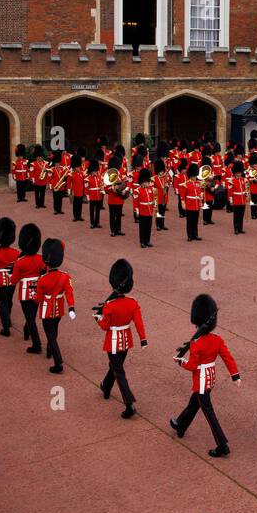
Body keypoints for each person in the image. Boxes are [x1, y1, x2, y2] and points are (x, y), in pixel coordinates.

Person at [170, 294, 240, 458]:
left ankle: (222, 445)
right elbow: (228, 358)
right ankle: (181, 424)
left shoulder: (197, 343)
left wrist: (180, 362)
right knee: (194, 403)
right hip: (210, 378)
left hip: (201, 380)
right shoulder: (217, 340)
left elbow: (193, 365)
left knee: (208, 412)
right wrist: (235, 376)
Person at [96, 259, 145, 418]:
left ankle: (129, 404)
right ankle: (106, 386)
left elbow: (105, 325)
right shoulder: (132, 303)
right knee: (115, 367)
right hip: (126, 341)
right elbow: (138, 322)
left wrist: (97, 317)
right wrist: (143, 339)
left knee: (119, 370)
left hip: (113, 341)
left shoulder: (110, 305)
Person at [35, 238, 75, 374]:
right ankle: (49, 351)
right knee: (54, 330)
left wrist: (34, 297)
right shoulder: (65, 276)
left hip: (47, 309)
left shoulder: (42, 279)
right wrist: (71, 308)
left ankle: (58, 362)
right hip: (59, 307)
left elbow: (38, 298)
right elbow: (69, 293)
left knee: (50, 335)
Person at [12, 223, 45, 354]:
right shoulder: (41, 259)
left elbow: (14, 280)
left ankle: (36, 345)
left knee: (30, 317)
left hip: (25, 292)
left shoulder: (20, 261)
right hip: (37, 289)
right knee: (31, 314)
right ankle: (26, 330)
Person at [0, 218, 20, 337]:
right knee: (9, 300)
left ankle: (6, 326)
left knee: (2, 303)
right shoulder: (16, 253)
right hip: (11, 279)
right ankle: (8, 319)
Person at [133, 167, 156, 248]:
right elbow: (135, 203)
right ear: (142, 182)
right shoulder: (137, 190)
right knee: (142, 228)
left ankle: (147, 241)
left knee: (148, 227)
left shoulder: (150, 189)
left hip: (149, 211)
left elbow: (153, 198)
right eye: (146, 182)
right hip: (142, 211)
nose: (147, 183)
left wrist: (154, 204)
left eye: (148, 182)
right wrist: (137, 211)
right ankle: (142, 242)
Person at [180, 162, 203, 241]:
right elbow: (182, 195)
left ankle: (195, 235)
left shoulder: (198, 183)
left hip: (196, 204)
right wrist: (183, 203)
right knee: (190, 221)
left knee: (195, 221)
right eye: (194, 176)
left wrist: (201, 198)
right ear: (191, 175)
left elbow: (199, 193)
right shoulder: (186, 184)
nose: (195, 177)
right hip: (190, 205)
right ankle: (189, 235)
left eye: (195, 176)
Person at [106, 158, 127, 237]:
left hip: (119, 198)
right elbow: (105, 188)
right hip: (112, 199)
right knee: (112, 215)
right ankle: (112, 230)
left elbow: (125, 183)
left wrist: (123, 189)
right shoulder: (108, 175)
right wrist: (112, 188)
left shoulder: (121, 174)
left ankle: (118, 229)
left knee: (118, 215)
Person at [227, 160, 249, 234]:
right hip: (236, 200)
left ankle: (240, 228)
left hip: (242, 199)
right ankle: (236, 229)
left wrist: (247, 195)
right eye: (238, 172)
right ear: (235, 172)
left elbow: (246, 189)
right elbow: (230, 192)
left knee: (241, 215)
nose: (239, 174)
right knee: (236, 215)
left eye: (240, 172)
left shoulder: (244, 180)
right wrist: (231, 201)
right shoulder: (231, 181)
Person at [86, 159, 104, 230]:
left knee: (97, 210)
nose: (96, 173)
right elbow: (87, 189)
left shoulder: (99, 177)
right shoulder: (88, 179)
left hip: (98, 196)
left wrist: (102, 187)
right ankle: (92, 223)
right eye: (94, 171)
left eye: (96, 171)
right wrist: (88, 197)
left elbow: (101, 185)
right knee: (91, 210)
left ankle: (97, 222)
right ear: (91, 171)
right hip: (92, 196)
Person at [69, 152, 86, 222]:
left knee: (80, 205)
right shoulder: (71, 174)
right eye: (77, 167)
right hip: (74, 192)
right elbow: (69, 184)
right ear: (74, 167)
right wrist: (69, 192)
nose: (78, 168)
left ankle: (79, 216)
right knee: (75, 205)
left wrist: (84, 191)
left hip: (81, 192)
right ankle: (75, 216)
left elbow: (84, 183)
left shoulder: (82, 174)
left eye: (79, 167)